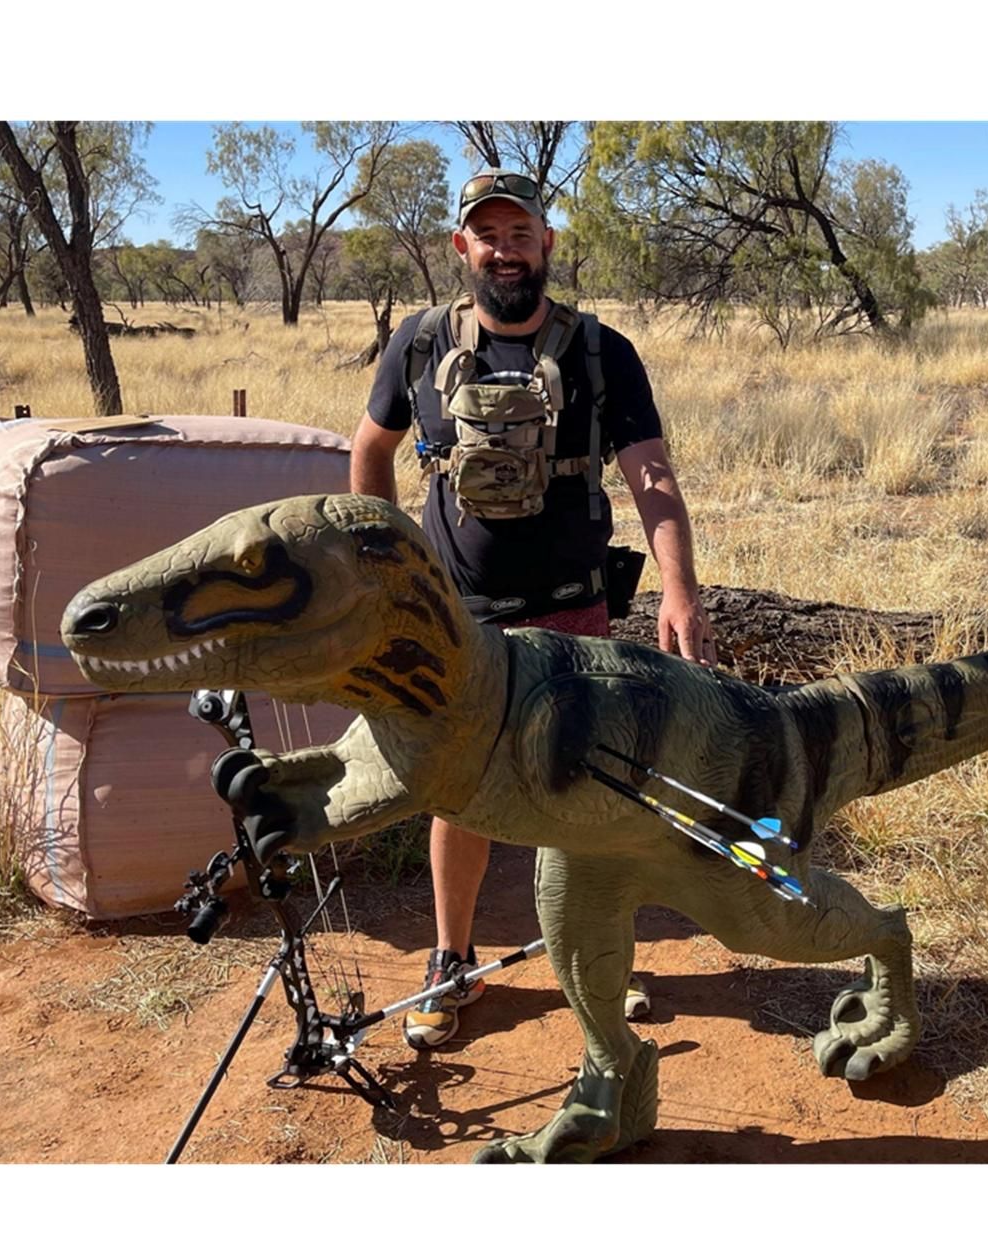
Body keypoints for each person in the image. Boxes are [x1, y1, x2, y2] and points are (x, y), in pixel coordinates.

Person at [350, 168, 715, 1049]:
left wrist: (680, 588)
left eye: (521, 235)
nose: (506, 251)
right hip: (461, 619)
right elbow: (370, 452)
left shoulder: (601, 351)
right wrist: (385, 572)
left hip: (573, 616)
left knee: (587, 788)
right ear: (462, 247)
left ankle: (599, 955)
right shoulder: (419, 343)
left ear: (547, 243)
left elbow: (651, 477)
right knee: (460, 792)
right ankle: (451, 959)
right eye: (490, 236)